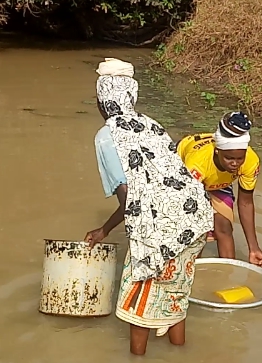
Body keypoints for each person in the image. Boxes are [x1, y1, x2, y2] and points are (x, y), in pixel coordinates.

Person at [84, 58, 214, 356]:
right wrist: (104, 230)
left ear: (102, 99)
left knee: (137, 304)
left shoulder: (107, 137)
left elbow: (131, 198)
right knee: (174, 294)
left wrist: (109, 230)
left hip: (161, 227)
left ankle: (136, 358)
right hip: (195, 220)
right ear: (132, 95)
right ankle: (180, 353)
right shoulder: (149, 124)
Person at [176, 111, 262, 267]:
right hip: (187, 179)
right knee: (197, 233)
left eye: (239, 158)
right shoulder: (196, 165)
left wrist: (253, 248)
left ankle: (227, 275)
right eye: (229, 158)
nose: (235, 164)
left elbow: (245, 203)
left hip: (218, 182)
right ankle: (190, 272)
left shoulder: (250, 162)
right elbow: (185, 206)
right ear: (217, 152)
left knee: (224, 227)